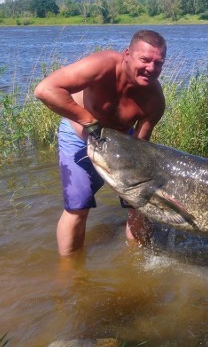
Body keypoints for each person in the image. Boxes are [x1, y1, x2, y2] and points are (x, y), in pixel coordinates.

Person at [34, 30, 167, 256]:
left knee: (140, 204)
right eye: (145, 60)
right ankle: (70, 271)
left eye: (159, 63)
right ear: (127, 54)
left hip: (122, 143)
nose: (151, 69)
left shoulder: (155, 100)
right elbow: (45, 89)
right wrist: (89, 121)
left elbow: (140, 144)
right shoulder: (102, 65)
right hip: (78, 137)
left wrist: (137, 187)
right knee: (78, 207)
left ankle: (136, 262)